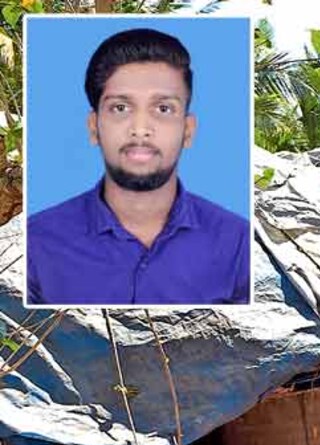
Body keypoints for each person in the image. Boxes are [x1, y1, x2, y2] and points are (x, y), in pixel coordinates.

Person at [27, 28, 250, 305]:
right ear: (94, 127)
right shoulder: (34, 244)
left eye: (163, 109)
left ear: (188, 130)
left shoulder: (239, 244)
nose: (141, 129)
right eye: (120, 108)